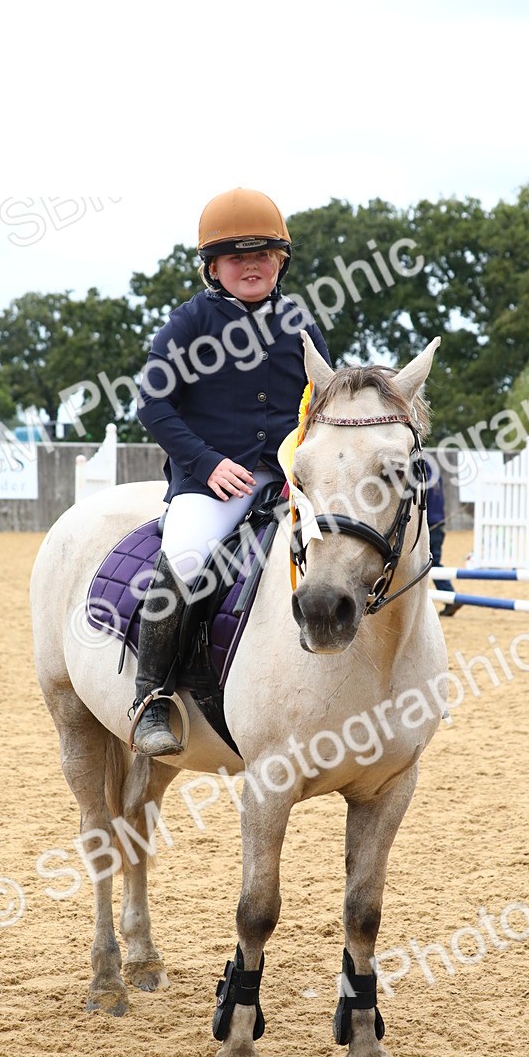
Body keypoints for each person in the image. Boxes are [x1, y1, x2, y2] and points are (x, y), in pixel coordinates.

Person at [131, 187, 331, 755]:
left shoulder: (300, 323)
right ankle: (152, 699)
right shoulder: (189, 321)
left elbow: (323, 400)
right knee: (185, 560)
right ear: (213, 267)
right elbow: (153, 404)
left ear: (280, 261)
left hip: (289, 480)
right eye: (238, 256)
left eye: (263, 253)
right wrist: (206, 463)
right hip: (213, 483)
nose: (252, 264)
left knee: (349, 549)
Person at [426, 460, 459, 618]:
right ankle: (449, 597)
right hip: (439, 523)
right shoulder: (433, 472)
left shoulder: (417, 469)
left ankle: (449, 596)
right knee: (435, 562)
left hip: (429, 525)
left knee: (431, 564)